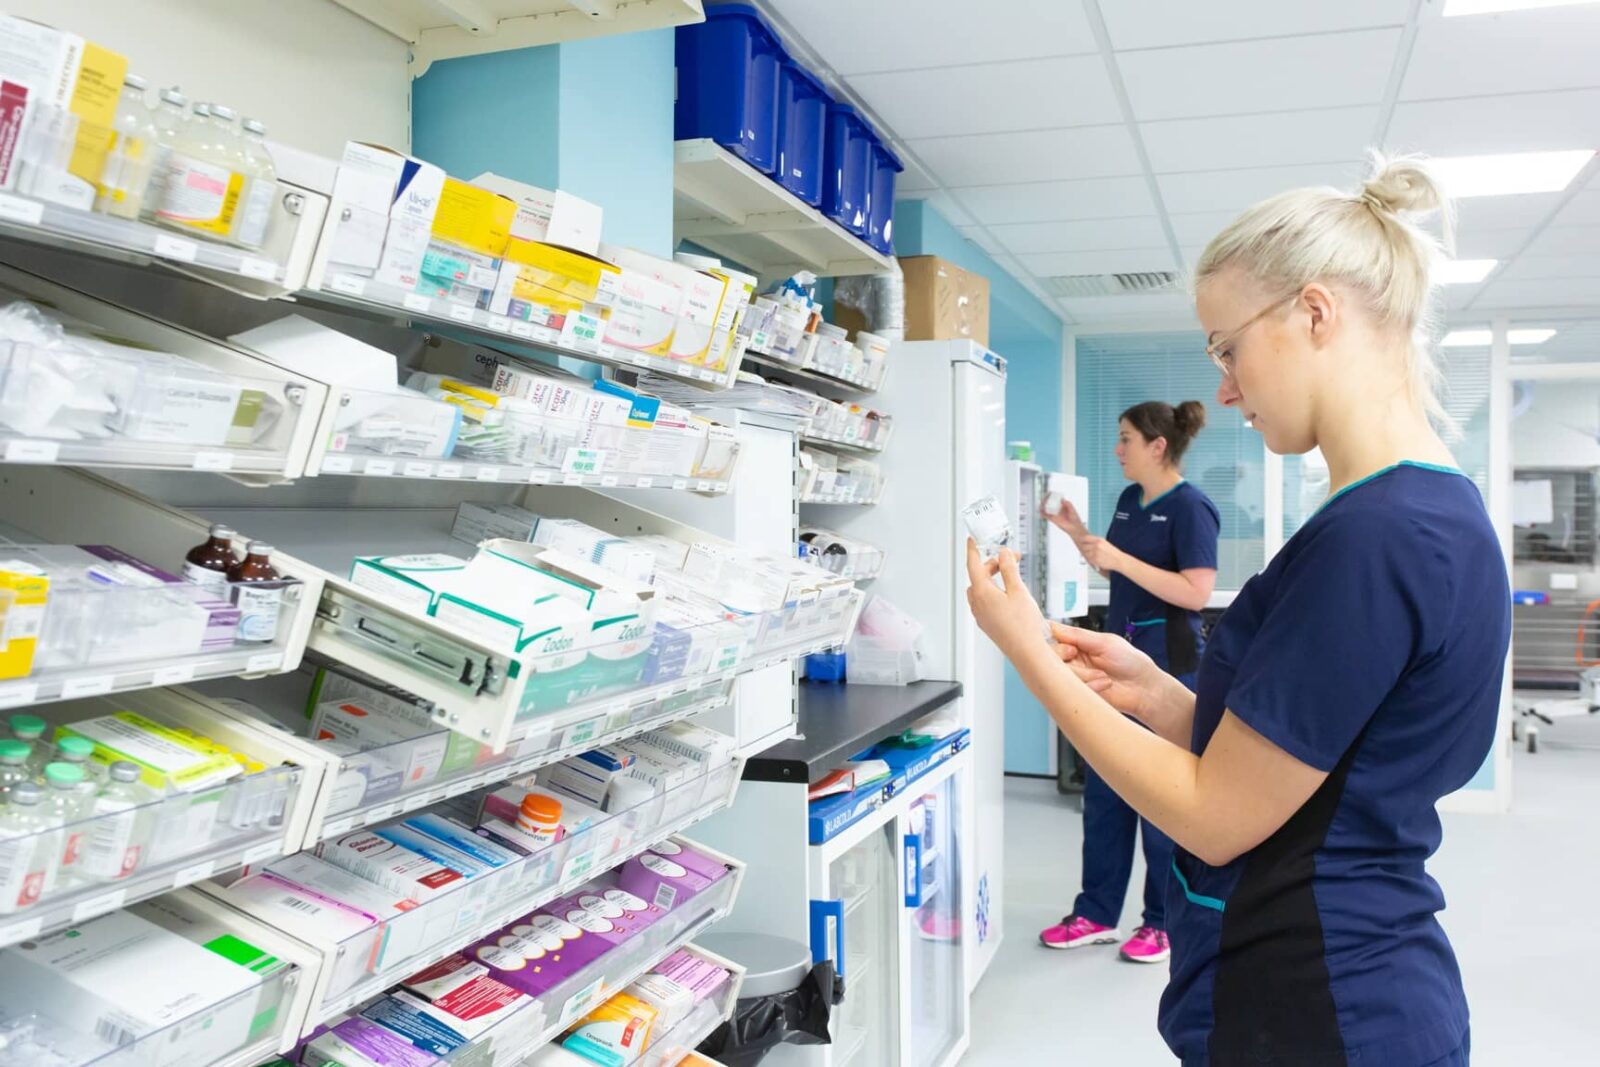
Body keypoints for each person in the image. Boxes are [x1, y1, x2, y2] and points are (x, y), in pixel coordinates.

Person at [965, 153, 1506, 1066]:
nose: (1221, 387)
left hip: (1322, 1003)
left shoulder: (1379, 537)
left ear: (1315, 312)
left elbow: (1218, 814)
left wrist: (1026, 653)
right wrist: (1156, 691)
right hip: (1339, 981)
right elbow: (1321, 760)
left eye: (1227, 347)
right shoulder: (1422, 512)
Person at [1039, 400, 1219, 964]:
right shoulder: (1127, 502)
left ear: (1157, 446)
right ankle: (1095, 913)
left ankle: (1162, 923)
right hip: (1117, 657)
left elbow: (1195, 591)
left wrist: (1119, 557)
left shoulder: (1192, 509)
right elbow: (1113, 567)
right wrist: (1078, 534)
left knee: (1160, 797)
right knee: (1105, 790)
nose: (1118, 450)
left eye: (1125, 440)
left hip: (1169, 663)